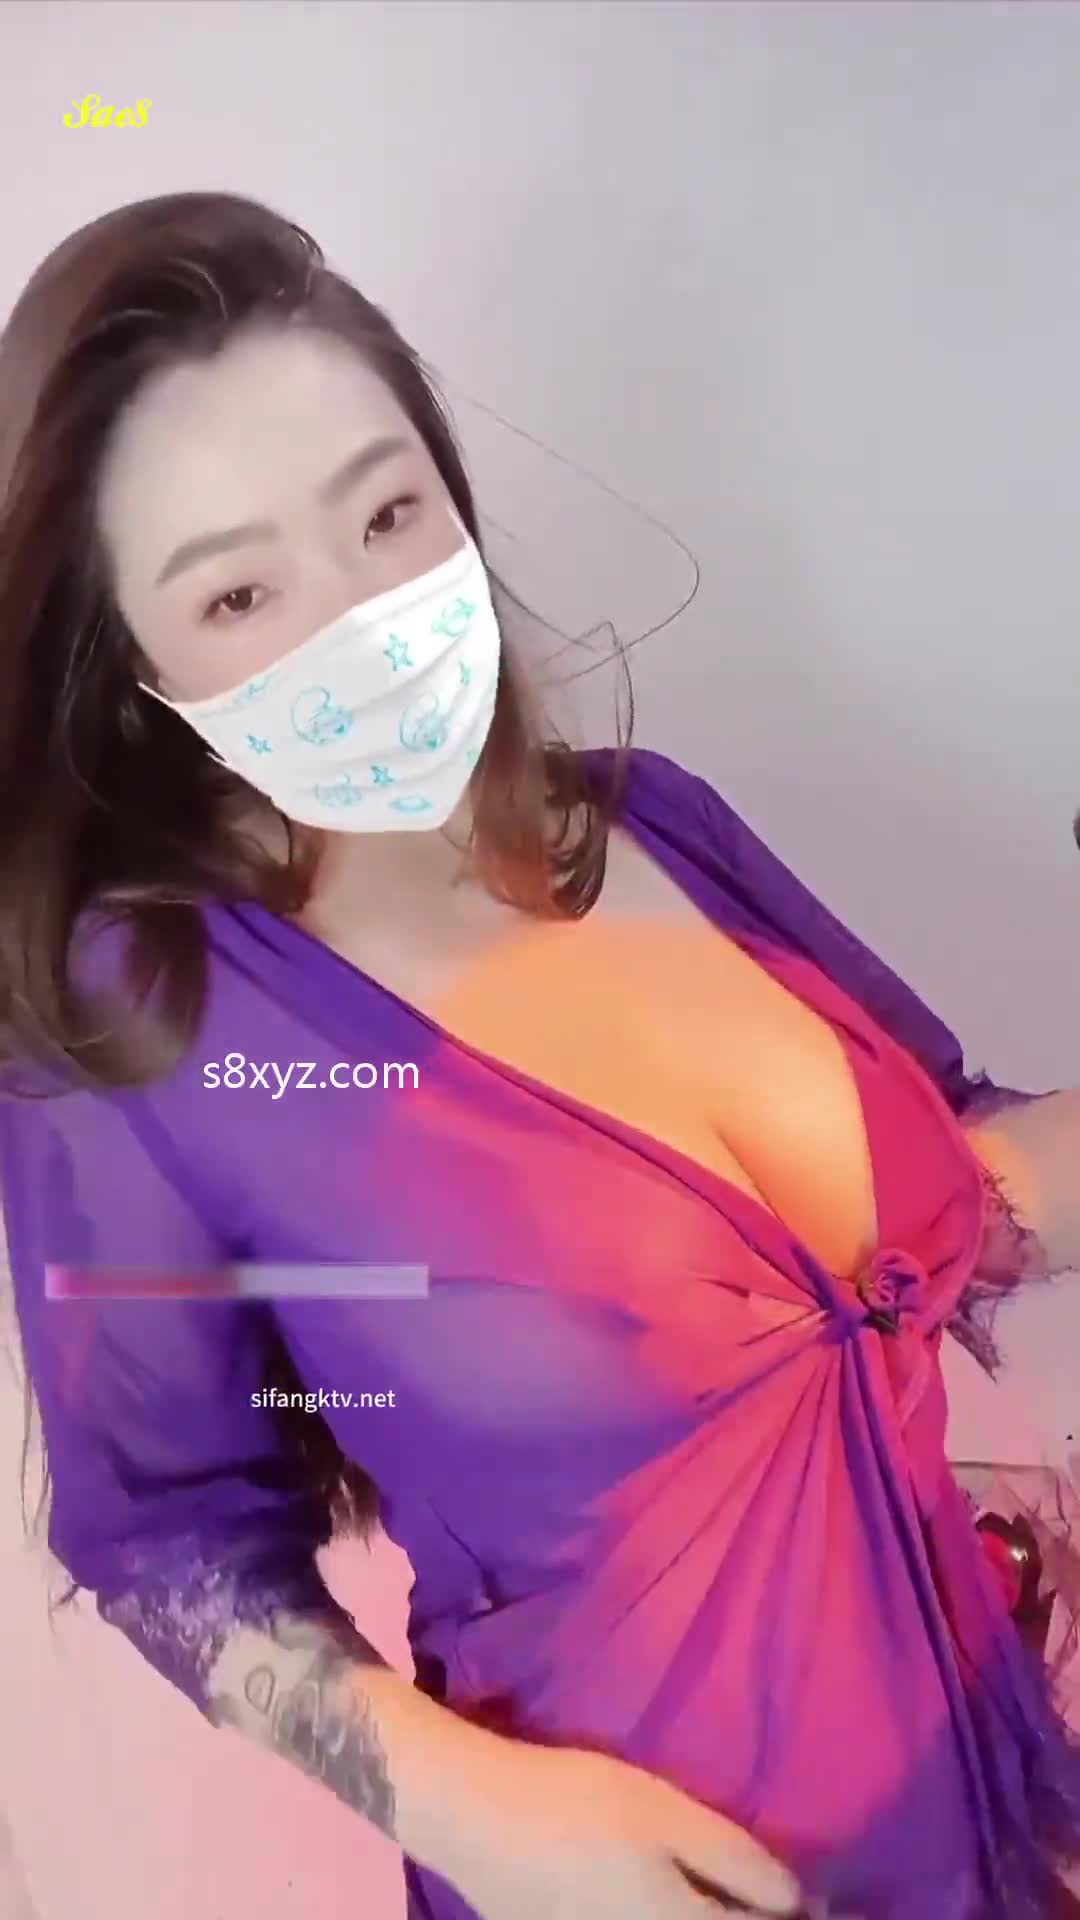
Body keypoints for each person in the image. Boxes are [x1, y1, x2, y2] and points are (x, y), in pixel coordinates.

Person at [0, 191, 1078, 1920]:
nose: (359, 619)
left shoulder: (662, 823)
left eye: (386, 513)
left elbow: (963, 1181)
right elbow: (167, 1539)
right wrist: (481, 1815)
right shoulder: (146, 1020)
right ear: (132, 672)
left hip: (994, 1802)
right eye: (241, 594)